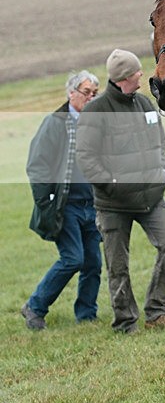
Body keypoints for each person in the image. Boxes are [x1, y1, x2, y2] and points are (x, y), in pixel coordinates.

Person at [76, 49, 165, 333]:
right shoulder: (96, 111)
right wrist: (112, 185)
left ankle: (157, 311)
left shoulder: (145, 104)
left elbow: (159, 143)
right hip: (113, 205)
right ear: (123, 78)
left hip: (152, 197)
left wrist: (161, 174)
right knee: (118, 265)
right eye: (136, 73)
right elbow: (86, 157)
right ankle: (125, 321)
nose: (141, 76)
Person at [22, 70, 102, 330]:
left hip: (91, 206)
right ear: (71, 93)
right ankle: (35, 307)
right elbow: (37, 166)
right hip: (64, 207)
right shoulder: (54, 122)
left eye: (94, 93)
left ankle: (86, 315)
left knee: (93, 263)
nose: (91, 98)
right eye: (86, 92)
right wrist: (47, 202)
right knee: (72, 259)